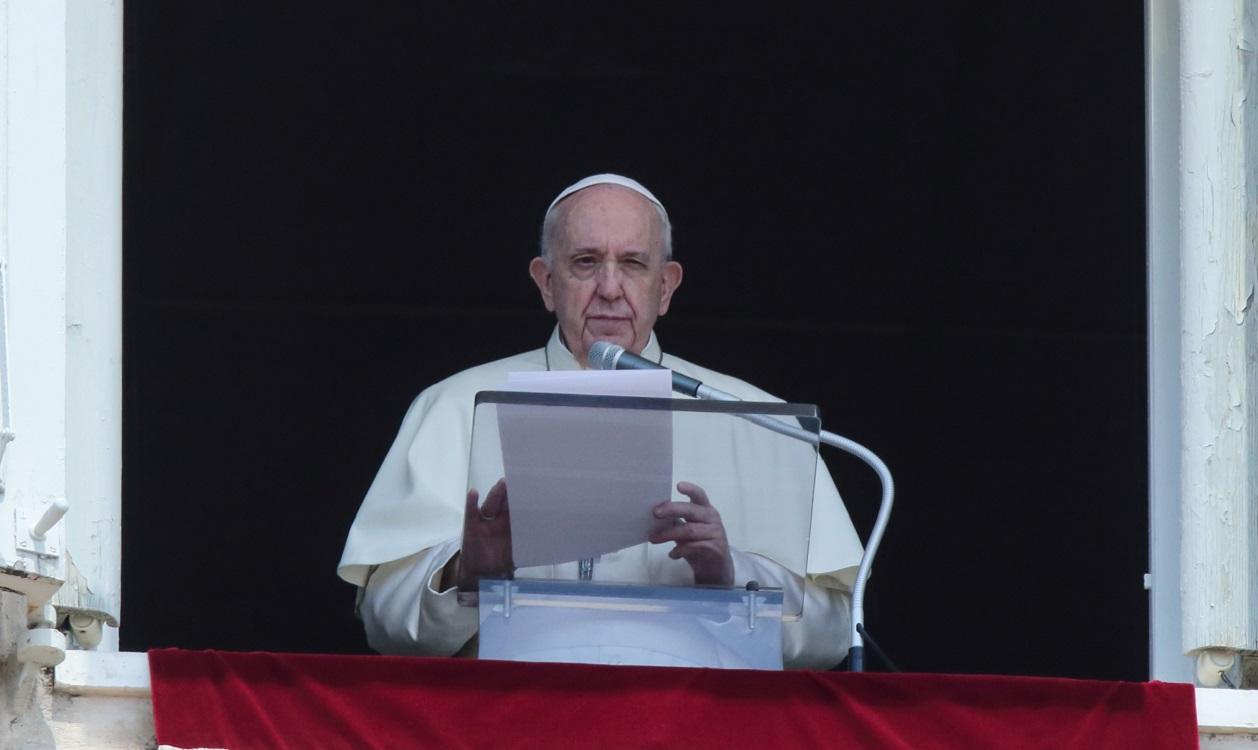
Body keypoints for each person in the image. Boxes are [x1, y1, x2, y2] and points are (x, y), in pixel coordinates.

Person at [337, 174, 864, 669]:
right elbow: (383, 624)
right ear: (546, 282)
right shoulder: (452, 404)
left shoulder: (756, 421)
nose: (610, 288)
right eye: (586, 261)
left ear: (665, 286)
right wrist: (468, 575)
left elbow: (833, 632)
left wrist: (729, 576)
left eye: (633, 264)